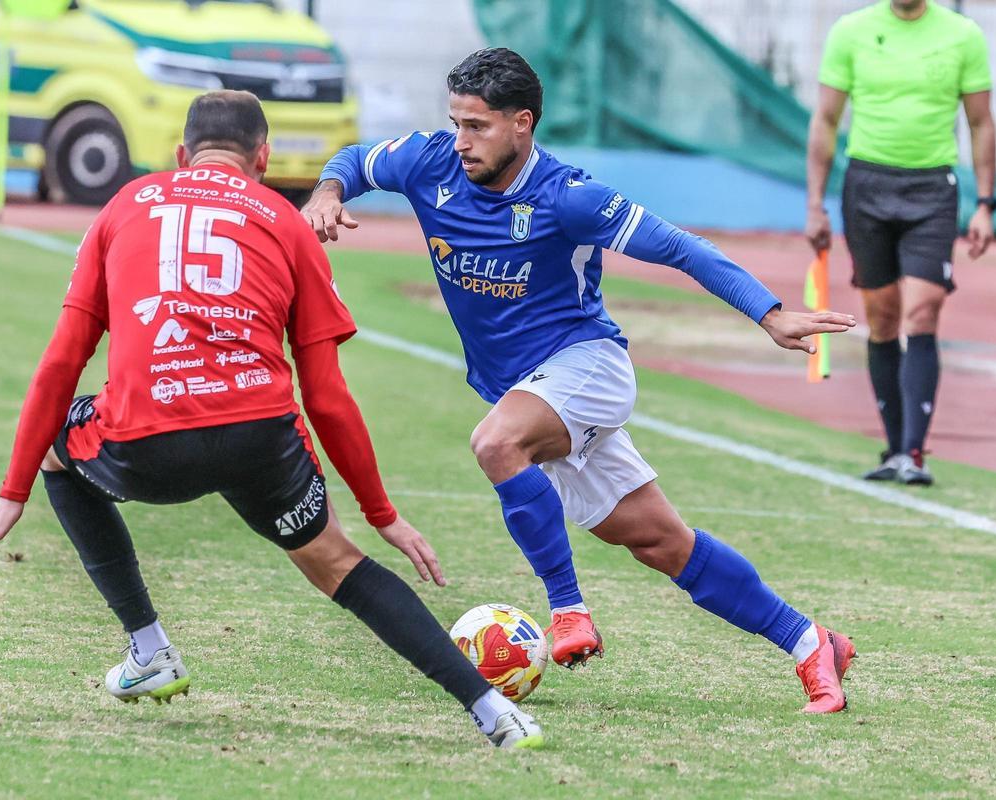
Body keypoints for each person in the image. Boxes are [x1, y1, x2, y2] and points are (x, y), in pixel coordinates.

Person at [0, 90, 544, 749]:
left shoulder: (125, 204)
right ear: (262, 158)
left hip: (148, 441)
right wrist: (383, 516)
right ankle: (495, 712)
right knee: (335, 562)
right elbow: (325, 397)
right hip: (259, 435)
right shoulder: (285, 221)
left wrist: (12, 494)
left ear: (181, 156)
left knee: (59, 447)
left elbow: (62, 359)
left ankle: (150, 649)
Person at [303, 48, 858, 712]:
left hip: (587, 367)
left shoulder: (570, 197)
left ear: (522, 124)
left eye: (477, 126)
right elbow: (354, 163)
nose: (461, 141)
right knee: (662, 543)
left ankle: (567, 609)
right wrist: (327, 196)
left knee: (495, 444)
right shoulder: (430, 163)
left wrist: (769, 314)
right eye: (456, 122)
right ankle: (811, 643)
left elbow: (680, 247)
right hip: (530, 392)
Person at [806, 0, 996, 486]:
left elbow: (980, 122)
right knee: (883, 318)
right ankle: (894, 449)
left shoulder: (962, 34)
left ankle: (915, 453)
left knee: (923, 312)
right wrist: (814, 203)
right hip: (866, 186)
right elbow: (826, 120)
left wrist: (985, 203)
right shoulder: (851, 31)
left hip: (933, 189)